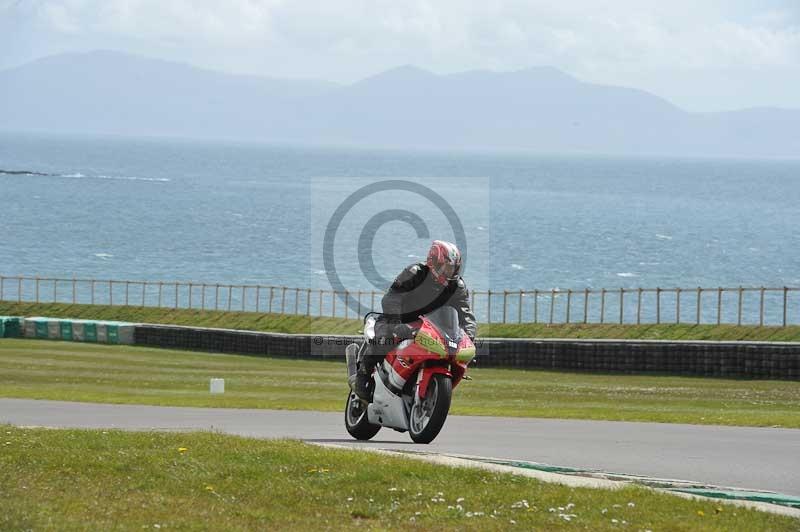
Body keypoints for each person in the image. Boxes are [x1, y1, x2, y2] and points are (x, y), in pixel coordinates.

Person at [350, 240, 477, 400]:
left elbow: (466, 314)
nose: (448, 272)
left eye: (452, 268)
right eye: (445, 267)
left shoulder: (457, 286)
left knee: (448, 354)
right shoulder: (415, 273)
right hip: (401, 320)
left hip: (432, 328)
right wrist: (396, 324)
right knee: (385, 338)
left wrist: (469, 337)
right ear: (433, 262)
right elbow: (392, 298)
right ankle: (363, 376)